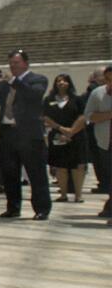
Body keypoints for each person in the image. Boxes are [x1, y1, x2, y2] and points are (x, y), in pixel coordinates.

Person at [0, 49, 50, 220]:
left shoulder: (37, 79)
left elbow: (34, 96)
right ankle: (13, 207)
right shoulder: (6, 83)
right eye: (11, 63)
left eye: (16, 63)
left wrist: (14, 81)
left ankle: (42, 208)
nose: (12, 66)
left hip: (29, 134)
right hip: (8, 132)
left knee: (35, 173)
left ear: (25, 63)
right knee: (10, 173)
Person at [44, 74, 86, 202]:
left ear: (69, 83)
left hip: (76, 135)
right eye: (58, 81)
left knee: (77, 166)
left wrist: (71, 131)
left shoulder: (77, 99)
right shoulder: (49, 100)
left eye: (64, 81)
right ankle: (63, 194)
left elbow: (83, 116)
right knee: (60, 165)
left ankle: (78, 195)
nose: (61, 83)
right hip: (57, 135)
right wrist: (60, 129)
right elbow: (45, 117)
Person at [81, 66, 112, 219]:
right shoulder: (97, 93)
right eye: (108, 79)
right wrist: (108, 115)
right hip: (106, 142)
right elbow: (89, 116)